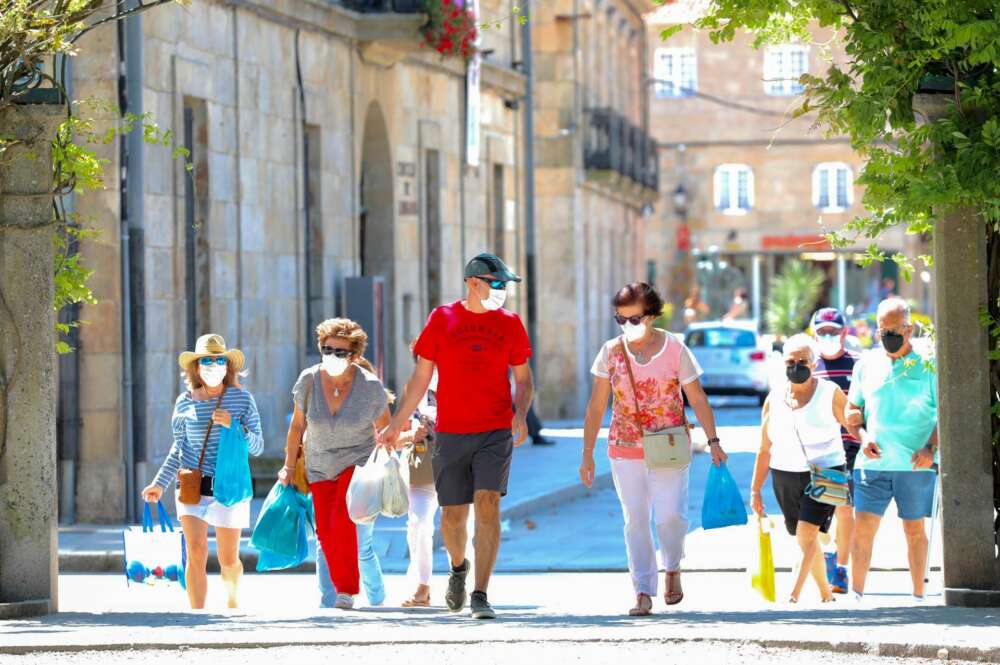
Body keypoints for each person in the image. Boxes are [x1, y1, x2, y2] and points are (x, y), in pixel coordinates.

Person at [380, 252, 534, 620]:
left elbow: (524, 379)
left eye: (504, 285)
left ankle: (480, 593)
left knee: (488, 503)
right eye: (496, 284)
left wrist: (521, 414)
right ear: (473, 282)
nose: (501, 291)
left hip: (495, 430)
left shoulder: (511, 324)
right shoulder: (442, 318)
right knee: (451, 517)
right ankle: (458, 567)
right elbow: (420, 378)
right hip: (450, 432)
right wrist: (397, 422)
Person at [580, 282, 728, 616]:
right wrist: (587, 453)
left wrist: (714, 441)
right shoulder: (610, 352)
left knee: (670, 515)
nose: (627, 326)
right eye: (621, 319)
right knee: (635, 520)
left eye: (633, 319)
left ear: (650, 315)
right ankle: (643, 590)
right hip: (624, 445)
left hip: (670, 445)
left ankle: (672, 566)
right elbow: (595, 406)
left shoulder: (675, 349)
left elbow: (697, 397)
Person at [141, 334, 263, 609]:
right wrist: (158, 484)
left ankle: (232, 601)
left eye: (219, 360)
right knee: (195, 552)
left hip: (229, 489)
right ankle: (198, 614)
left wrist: (235, 426)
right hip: (192, 488)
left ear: (227, 366)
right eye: (206, 360)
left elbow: (258, 446)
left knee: (228, 558)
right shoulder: (184, 402)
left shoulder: (242, 400)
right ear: (195, 367)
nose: (213, 365)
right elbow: (178, 449)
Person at [279, 318, 392, 610]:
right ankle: (351, 590)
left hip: (357, 463)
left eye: (340, 352)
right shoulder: (308, 380)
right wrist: (289, 467)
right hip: (318, 464)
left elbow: (386, 430)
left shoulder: (370, 387)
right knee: (326, 532)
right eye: (327, 349)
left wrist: (391, 465)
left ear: (354, 355)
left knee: (342, 518)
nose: (332, 356)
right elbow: (297, 427)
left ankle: (346, 590)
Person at [750, 334, 856, 603]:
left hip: (827, 472)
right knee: (805, 539)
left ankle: (793, 594)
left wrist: (868, 441)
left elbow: (853, 425)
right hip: (784, 474)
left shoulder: (830, 392)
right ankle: (825, 594)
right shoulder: (773, 400)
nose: (796, 366)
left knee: (806, 533)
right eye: (791, 361)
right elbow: (764, 448)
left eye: (803, 361)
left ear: (815, 363)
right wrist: (755, 490)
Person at [845, 298, 938, 602]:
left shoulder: (928, 367)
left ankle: (919, 598)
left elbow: (946, 412)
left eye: (893, 330)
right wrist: (860, 433)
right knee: (862, 530)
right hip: (872, 464)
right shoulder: (866, 365)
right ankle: (855, 598)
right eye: (881, 329)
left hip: (915, 465)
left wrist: (931, 448)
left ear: (909, 330)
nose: (886, 336)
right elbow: (852, 408)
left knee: (914, 531)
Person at [810, 307, 862, 594]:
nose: (828, 336)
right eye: (822, 331)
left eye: (833, 331)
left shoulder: (858, 365)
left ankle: (841, 568)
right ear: (814, 333)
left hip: (851, 448)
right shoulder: (810, 366)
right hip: (819, 449)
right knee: (820, 512)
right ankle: (828, 554)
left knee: (845, 508)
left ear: (844, 332)